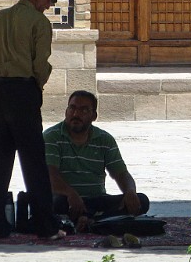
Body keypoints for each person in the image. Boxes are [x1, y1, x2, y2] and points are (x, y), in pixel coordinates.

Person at [0, 0, 64, 239]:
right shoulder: (39, 22)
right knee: (33, 161)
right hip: (22, 90)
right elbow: (40, 65)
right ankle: (45, 226)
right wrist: (35, 86)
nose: (49, 5)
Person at [42, 90, 150, 231]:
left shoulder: (105, 139)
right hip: (66, 200)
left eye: (84, 110)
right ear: (66, 111)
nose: (76, 114)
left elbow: (121, 173)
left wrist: (130, 191)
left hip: (97, 200)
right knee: (55, 203)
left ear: (94, 116)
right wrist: (70, 193)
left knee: (141, 201)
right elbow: (50, 176)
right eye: (72, 108)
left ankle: (89, 220)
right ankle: (99, 221)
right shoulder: (51, 137)